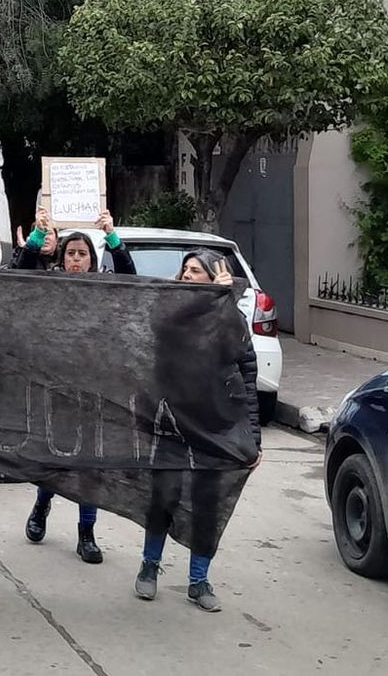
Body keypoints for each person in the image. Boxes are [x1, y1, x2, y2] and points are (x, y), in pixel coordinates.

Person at [134, 250, 261, 613]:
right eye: (185, 270)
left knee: (208, 503)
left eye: (195, 271)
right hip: (171, 423)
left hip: (215, 426)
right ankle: (149, 565)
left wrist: (253, 436)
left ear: (214, 278)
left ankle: (198, 580)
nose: (187, 275)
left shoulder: (229, 317)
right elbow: (160, 333)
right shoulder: (170, 311)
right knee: (164, 497)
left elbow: (246, 372)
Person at [18, 207, 135, 563]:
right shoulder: (49, 285)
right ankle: (41, 506)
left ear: (92, 260)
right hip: (54, 389)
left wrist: (113, 236)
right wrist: (37, 236)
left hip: (95, 392)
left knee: (89, 465)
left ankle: (87, 534)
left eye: (83, 254)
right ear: (62, 257)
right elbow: (19, 276)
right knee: (53, 457)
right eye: (71, 253)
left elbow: (131, 279)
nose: (76, 260)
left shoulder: (105, 290)